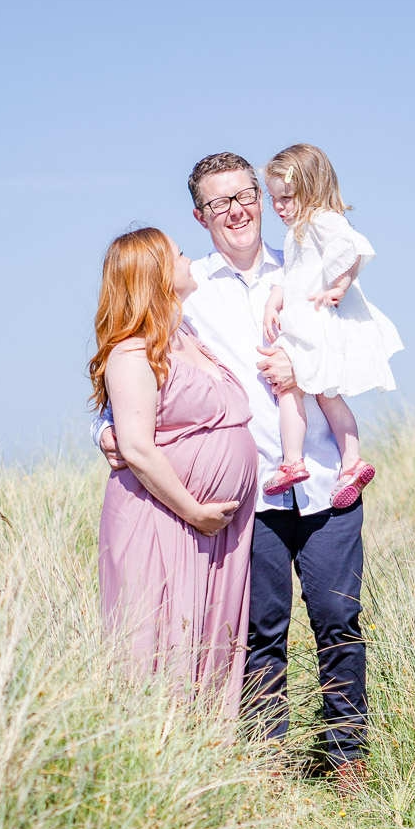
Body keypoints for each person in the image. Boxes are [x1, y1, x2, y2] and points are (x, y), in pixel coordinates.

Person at [94, 154, 370, 791]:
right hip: (253, 503)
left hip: (327, 477)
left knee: (336, 617)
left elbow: (357, 353)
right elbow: (133, 362)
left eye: (246, 195)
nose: (239, 209)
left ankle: (347, 760)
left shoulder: (307, 265)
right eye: (220, 203)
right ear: (200, 215)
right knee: (259, 633)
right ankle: (270, 766)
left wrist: (311, 374)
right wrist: (103, 431)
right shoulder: (188, 292)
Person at [89, 227, 257, 719]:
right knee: (159, 640)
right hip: (163, 518)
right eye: (179, 254)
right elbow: (138, 448)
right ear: (156, 274)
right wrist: (195, 510)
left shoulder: (187, 337)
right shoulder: (132, 352)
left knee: (210, 636)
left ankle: (205, 760)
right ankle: (152, 765)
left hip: (212, 526)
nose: (189, 259)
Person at [262, 144, 403, 507]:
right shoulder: (297, 231)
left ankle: (299, 462)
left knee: (293, 389)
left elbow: (352, 248)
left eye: (286, 197)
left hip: (316, 320)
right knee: (321, 394)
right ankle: (345, 462)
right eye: (274, 199)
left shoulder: (324, 220)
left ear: (311, 189)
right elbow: (290, 274)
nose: (278, 207)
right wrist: (272, 303)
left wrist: (339, 285)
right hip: (303, 318)